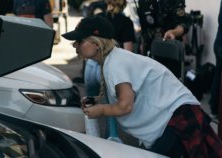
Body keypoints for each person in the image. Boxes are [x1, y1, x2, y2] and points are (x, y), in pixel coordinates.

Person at [62, 15, 222, 157]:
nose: (75, 45)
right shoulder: (114, 59)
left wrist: (101, 110)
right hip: (175, 117)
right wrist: (99, 103)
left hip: (178, 118)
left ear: (96, 43)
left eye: (80, 41)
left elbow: (125, 106)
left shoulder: (115, 63)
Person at [85, 0, 135, 96]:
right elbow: (128, 53)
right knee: (110, 107)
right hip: (109, 69)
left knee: (91, 104)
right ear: (124, 5)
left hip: (90, 66)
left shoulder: (95, 18)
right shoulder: (126, 22)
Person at [209, 1, 222, 118]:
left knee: (218, 75)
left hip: (219, 43)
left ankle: (214, 107)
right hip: (220, 45)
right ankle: (215, 108)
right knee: (218, 77)